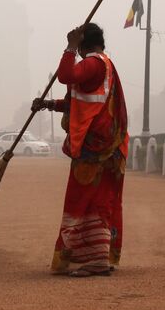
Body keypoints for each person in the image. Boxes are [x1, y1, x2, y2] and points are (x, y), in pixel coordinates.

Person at [32, 23, 128, 278]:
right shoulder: (103, 65)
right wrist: (50, 104)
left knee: (85, 200)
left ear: (84, 43)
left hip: (95, 147)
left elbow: (65, 76)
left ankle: (95, 260)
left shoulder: (94, 63)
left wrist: (69, 48)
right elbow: (80, 101)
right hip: (106, 146)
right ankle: (99, 257)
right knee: (99, 200)